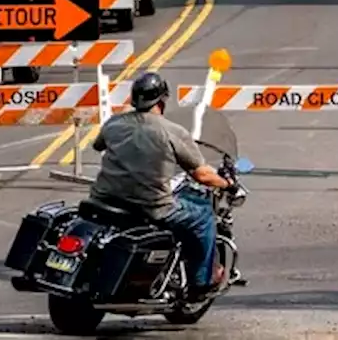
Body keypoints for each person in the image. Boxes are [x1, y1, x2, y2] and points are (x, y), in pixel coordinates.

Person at [88, 71, 232, 300]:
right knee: (203, 215)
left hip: (102, 200)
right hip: (150, 207)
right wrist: (227, 183)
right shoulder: (171, 131)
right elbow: (202, 175)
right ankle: (200, 283)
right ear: (162, 100)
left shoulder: (114, 123)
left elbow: (98, 145)